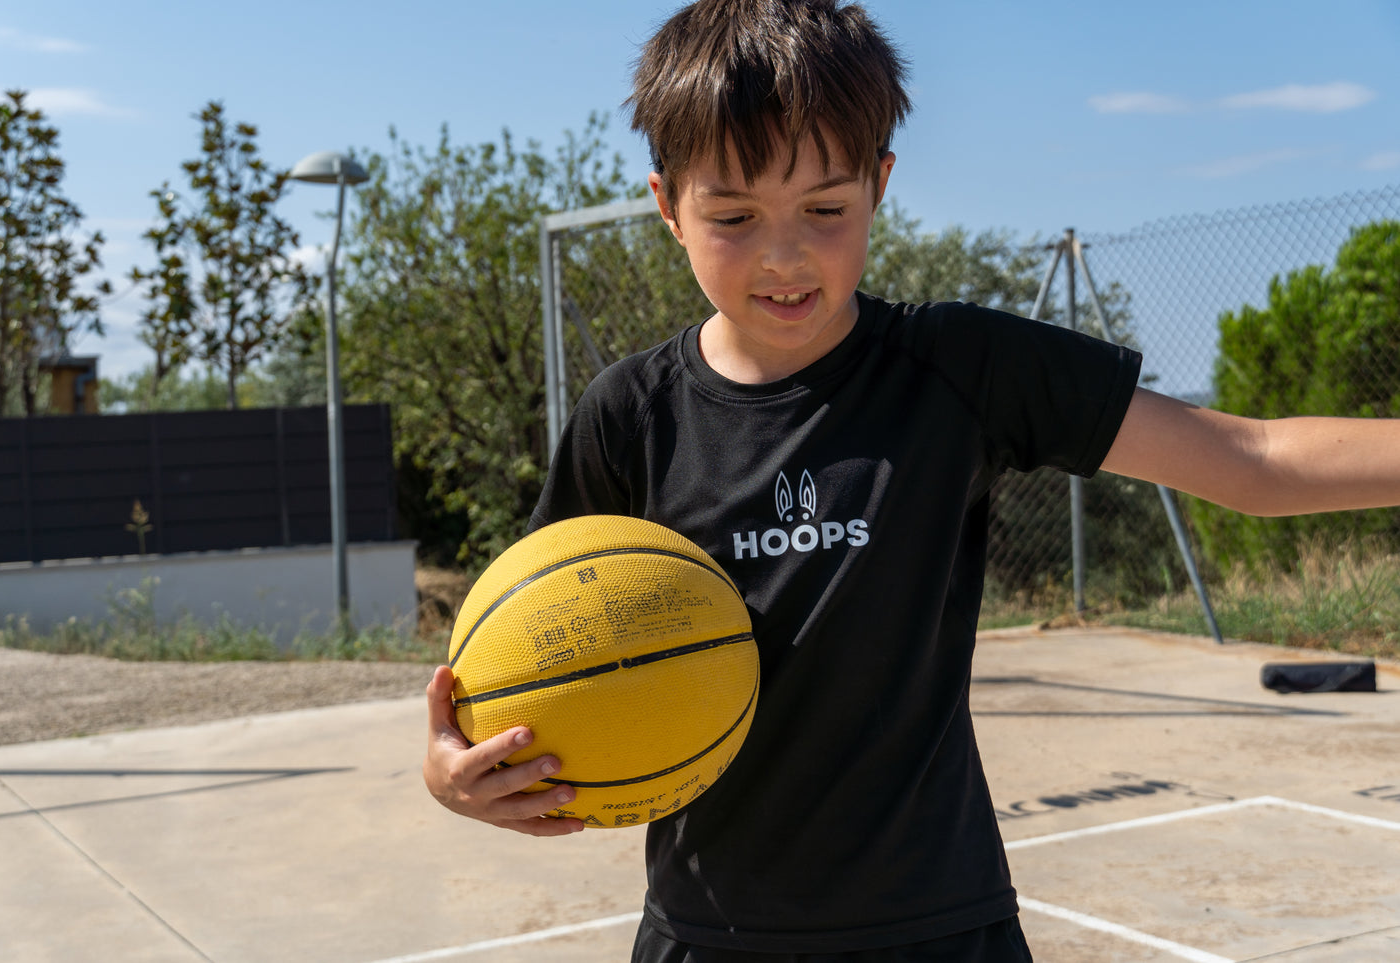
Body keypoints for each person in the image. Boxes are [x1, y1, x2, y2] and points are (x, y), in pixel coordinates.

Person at [423, 1, 1400, 959]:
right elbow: (517, 665)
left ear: (878, 186)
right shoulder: (631, 413)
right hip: (705, 935)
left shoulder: (958, 369)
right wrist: (456, 771)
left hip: (940, 925)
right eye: (732, 215)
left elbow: (1253, 462)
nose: (783, 254)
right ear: (666, 206)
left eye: (824, 209)